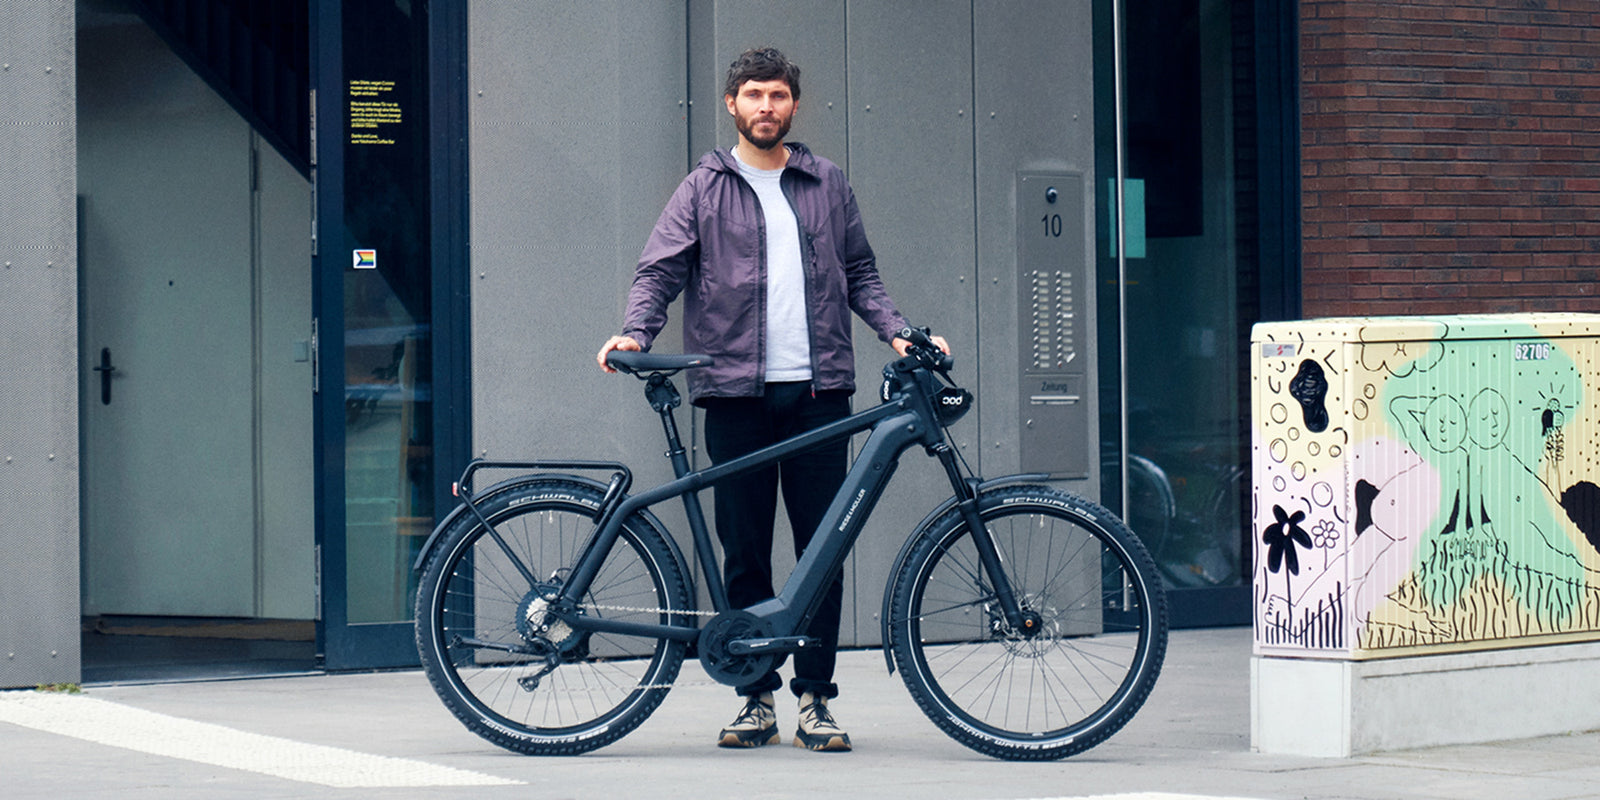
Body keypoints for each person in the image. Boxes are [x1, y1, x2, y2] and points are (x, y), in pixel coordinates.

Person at [596, 47, 946, 752]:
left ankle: (815, 698)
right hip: (735, 394)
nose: (766, 106)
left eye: (778, 94)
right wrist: (636, 332)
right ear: (732, 104)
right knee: (746, 550)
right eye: (753, 94)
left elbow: (860, 272)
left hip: (819, 393)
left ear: (794, 104)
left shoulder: (826, 183)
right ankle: (754, 696)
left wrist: (898, 332)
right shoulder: (703, 187)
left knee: (824, 549)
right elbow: (659, 271)